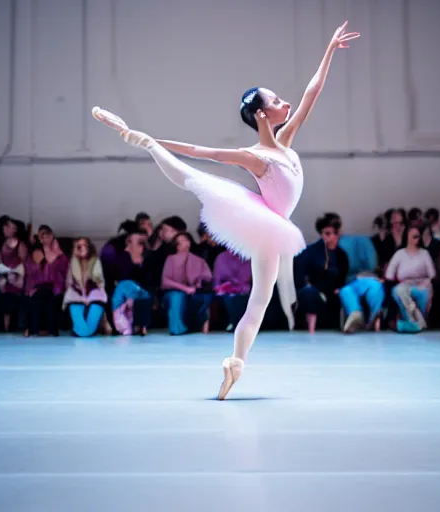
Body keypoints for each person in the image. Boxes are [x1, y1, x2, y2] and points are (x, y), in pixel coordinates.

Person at [92, 22, 360, 399]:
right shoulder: (255, 157)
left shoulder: (285, 139)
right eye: (276, 101)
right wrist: (149, 138)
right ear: (262, 115)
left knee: (259, 306)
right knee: (193, 176)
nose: (286, 104)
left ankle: (235, 363)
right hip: (265, 224)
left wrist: (329, 49)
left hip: (274, 227)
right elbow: (201, 152)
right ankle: (147, 146)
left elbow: (311, 93)